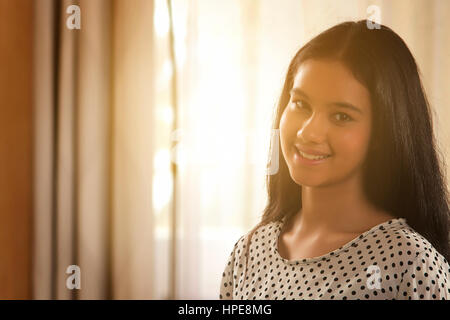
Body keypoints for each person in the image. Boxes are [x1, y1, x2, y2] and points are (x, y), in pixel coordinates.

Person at [219, 20, 450, 300]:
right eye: (301, 104)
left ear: (383, 132)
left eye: (341, 116)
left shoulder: (411, 265)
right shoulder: (249, 251)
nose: (308, 132)